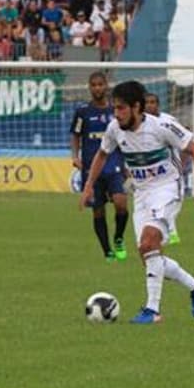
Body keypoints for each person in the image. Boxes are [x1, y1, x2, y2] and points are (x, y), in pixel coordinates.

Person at [80, 80, 194, 325]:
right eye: (115, 108)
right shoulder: (114, 129)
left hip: (167, 189)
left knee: (150, 241)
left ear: (137, 107)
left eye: (121, 108)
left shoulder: (162, 126)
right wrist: (88, 186)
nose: (116, 114)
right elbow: (102, 154)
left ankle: (152, 311)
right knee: (148, 254)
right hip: (141, 194)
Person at [71, 71, 128, 262]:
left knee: (121, 203)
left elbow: (124, 136)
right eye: (93, 85)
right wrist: (75, 156)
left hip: (113, 164)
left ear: (106, 86)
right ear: (89, 87)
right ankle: (107, 250)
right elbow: (75, 135)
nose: (97, 88)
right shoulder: (83, 112)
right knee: (98, 210)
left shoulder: (115, 111)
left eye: (100, 84)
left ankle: (119, 238)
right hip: (91, 166)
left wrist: (127, 161)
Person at [144, 92, 185, 245]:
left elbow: (186, 142)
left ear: (158, 105)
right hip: (149, 174)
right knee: (153, 204)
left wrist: (183, 162)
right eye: (147, 102)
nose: (150, 105)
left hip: (171, 171)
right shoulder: (137, 124)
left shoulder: (168, 121)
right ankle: (168, 231)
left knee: (172, 201)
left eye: (153, 102)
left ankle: (171, 230)